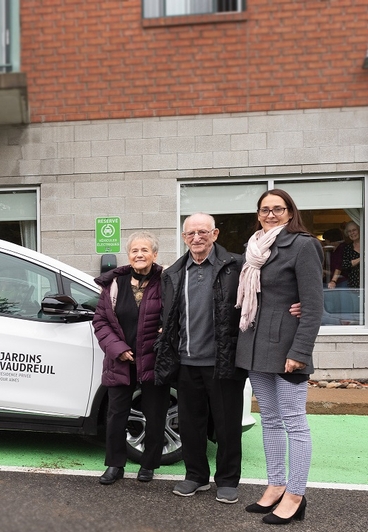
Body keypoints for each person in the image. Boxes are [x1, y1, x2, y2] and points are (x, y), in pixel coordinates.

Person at [236, 189, 323, 525]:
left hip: (287, 349)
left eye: (277, 209)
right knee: (270, 419)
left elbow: (313, 305)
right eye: (264, 209)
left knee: (294, 422)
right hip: (256, 347)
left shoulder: (302, 245)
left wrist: (300, 352)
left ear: (290, 212)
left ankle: (296, 493)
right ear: (258, 214)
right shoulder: (256, 247)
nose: (270, 214)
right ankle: (275, 485)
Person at [154, 212, 246, 504]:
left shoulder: (236, 266)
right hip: (185, 362)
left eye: (203, 232)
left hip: (223, 361)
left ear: (215, 234)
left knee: (227, 425)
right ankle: (195, 476)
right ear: (183, 238)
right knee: (191, 425)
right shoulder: (173, 273)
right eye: (190, 233)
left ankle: (228, 480)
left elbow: (261, 297)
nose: (197, 238)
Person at [93, 232, 169, 485]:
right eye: (135, 250)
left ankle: (149, 465)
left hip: (154, 360)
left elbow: (176, 314)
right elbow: (101, 321)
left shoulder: (166, 281)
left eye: (145, 250)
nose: (139, 255)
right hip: (120, 361)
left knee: (156, 414)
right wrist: (118, 349)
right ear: (129, 256)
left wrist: (166, 330)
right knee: (116, 415)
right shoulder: (114, 284)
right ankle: (115, 465)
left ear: (154, 255)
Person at [328, 221, 360, 288]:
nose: (352, 233)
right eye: (349, 231)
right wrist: (361, 259)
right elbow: (344, 264)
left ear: (360, 230)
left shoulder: (366, 245)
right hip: (353, 285)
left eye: (354, 230)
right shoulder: (347, 248)